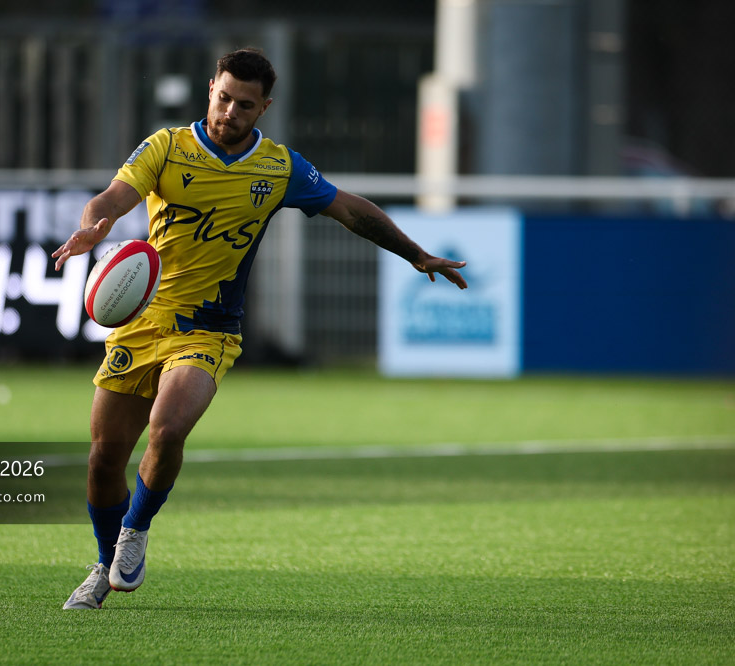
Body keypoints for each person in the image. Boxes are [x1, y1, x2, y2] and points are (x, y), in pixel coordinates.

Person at [53, 48, 467, 610]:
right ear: (210, 90)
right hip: (141, 324)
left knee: (167, 429)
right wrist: (93, 226)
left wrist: (416, 255)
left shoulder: (279, 168)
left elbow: (351, 209)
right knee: (104, 458)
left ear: (264, 107)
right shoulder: (166, 148)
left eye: (245, 104)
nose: (230, 112)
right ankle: (105, 566)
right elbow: (112, 198)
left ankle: (135, 531)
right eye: (224, 98)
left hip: (208, 330)